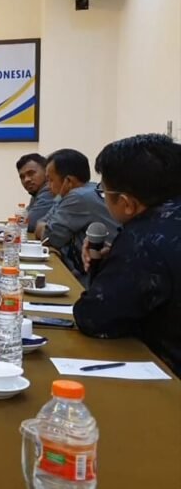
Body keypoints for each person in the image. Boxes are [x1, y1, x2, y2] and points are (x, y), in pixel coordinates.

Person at [73, 134, 181, 376]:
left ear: (127, 203)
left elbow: (94, 317)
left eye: (103, 191)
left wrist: (114, 262)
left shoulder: (143, 239)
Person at [35, 148, 119, 280]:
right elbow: (42, 223)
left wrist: (57, 200)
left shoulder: (78, 197)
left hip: (102, 274)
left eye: (50, 180)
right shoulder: (85, 191)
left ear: (68, 181)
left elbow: (49, 238)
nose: (48, 186)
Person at [15, 153, 56, 233]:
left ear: (46, 172)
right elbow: (21, 220)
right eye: (22, 177)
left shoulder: (49, 191)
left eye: (31, 173)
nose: (26, 179)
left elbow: (29, 224)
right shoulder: (37, 193)